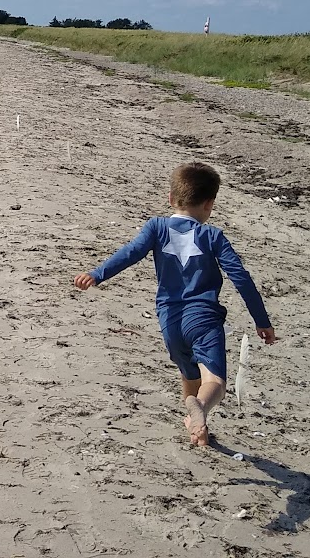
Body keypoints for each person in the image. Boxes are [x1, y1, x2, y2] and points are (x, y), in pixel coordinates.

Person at [72, 161, 278, 446]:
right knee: (214, 384)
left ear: (170, 198)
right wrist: (261, 320)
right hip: (203, 317)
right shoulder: (213, 235)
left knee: (189, 375)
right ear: (210, 204)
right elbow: (240, 277)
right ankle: (201, 410)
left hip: (169, 320)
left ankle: (196, 428)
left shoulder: (156, 226)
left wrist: (97, 274)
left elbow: (130, 253)